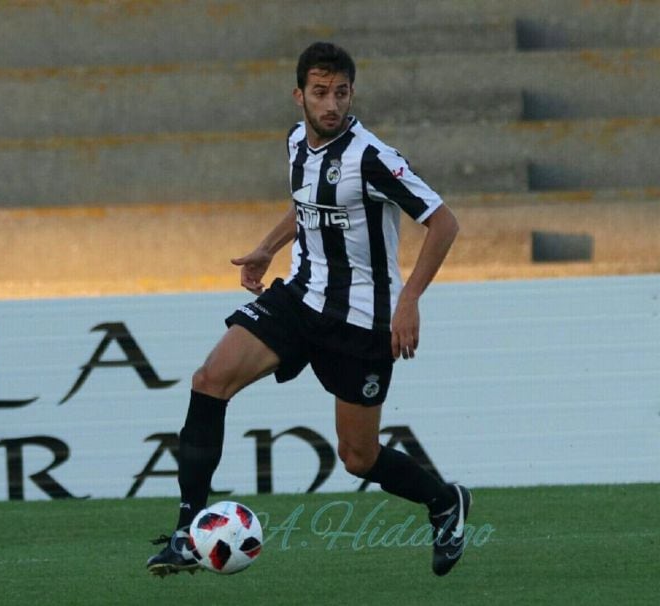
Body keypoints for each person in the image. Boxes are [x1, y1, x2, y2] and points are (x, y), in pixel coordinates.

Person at [146, 41, 468, 577]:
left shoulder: (372, 158)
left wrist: (409, 300)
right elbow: (307, 205)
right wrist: (267, 248)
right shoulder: (297, 141)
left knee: (357, 457)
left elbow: (444, 222)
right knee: (209, 379)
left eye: (340, 93)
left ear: (351, 94)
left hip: (361, 322)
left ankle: (444, 501)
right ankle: (186, 532)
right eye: (320, 92)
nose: (331, 104)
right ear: (299, 95)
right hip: (300, 298)